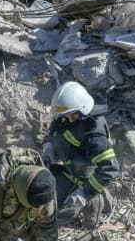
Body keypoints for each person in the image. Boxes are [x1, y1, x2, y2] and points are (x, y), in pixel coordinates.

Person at [42, 82, 119, 227]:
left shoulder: (94, 134)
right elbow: (55, 127)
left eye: (72, 116)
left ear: (83, 108)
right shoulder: (69, 114)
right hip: (67, 172)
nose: (69, 119)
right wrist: (49, 147)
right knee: (45, 205)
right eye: (66, 116)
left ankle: (96, 201)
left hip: (87, 181)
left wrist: (83, 194)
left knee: (67, 218)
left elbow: (110, 170)